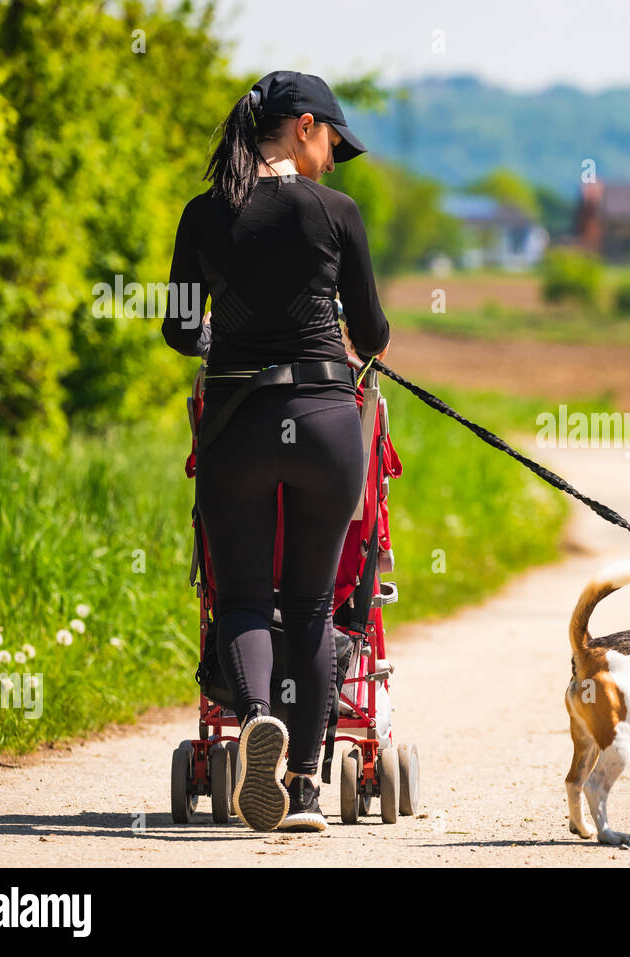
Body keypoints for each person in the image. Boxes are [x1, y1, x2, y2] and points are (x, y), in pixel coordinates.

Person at [162, 71, 390, 832]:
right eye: (330, 141)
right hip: (326, 421)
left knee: (245, 597)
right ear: (302, 126)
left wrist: (221, 337)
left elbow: (178, 329)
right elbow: (375, 331)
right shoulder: (335, 211)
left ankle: (260, 715)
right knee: (313, 602)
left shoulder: (202, 214)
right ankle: (304, 786)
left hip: (237, 423)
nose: (331, 158)